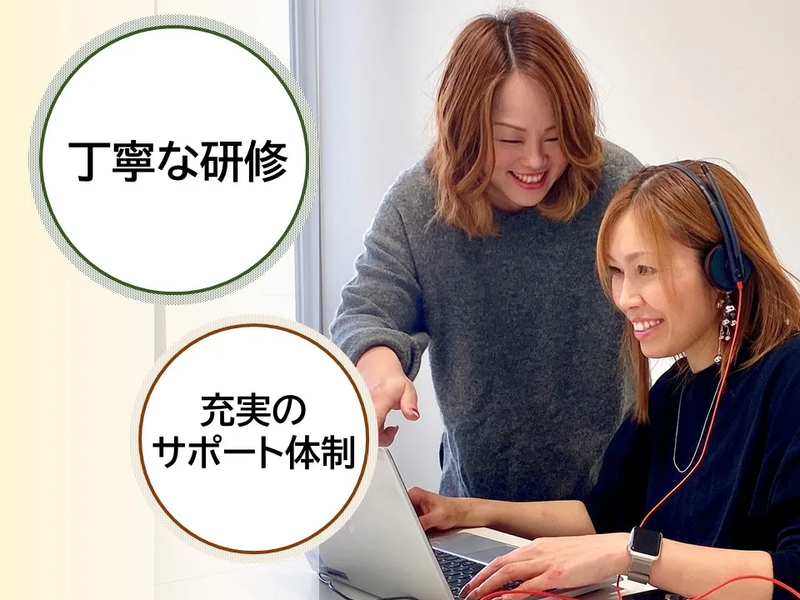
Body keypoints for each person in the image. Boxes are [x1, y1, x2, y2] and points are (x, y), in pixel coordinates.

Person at [409, 160, 800, 600]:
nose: (625, 298)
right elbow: (601, 518)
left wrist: (629, 554)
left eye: (645, 270)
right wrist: (466, 512)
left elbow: (793, 574)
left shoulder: (790, 377)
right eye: (617, 272)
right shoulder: (673, 391)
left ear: (725, 269)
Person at [329, 9, 642, 503]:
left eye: (555, 136)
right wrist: (379, 368)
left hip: (607, 511)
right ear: (466, 130)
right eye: (510, 139)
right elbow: (366, 311)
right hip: (474, 510)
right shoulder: (419, 204)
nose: (536, 160)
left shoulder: (619, 185)